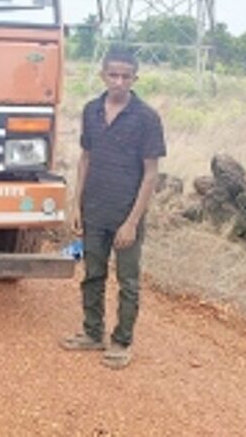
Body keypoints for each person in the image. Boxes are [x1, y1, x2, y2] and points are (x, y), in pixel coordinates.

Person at [61, 49, 166, 369]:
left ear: (135, 78)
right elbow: (86, 159)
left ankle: (122, 341)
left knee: (128, 280)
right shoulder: (91, 110)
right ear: (103, 76)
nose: (119, 82)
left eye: (126, 76)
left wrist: (132, 222)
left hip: (125, 214)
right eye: (113, 75)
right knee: (92, 274)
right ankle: (93, 333)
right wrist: (76, 206)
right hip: (93, 209)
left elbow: (151, 173)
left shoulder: (147, 118)